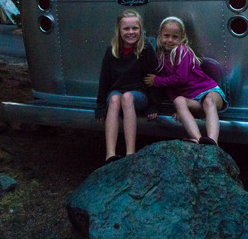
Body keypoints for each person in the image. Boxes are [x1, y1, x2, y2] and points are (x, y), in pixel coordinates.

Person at [144, 16, 227, 145]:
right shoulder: (160, 56)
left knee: (209, 102)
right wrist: (179, 109)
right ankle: (199, 139)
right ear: (160, 35)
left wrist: (157, 81)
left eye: (175, 37)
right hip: (193, 101)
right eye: (166, 36)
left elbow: (180, 79)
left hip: (209, 91)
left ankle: (213, 142)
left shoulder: (183, 52)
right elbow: (171, 89)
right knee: (178, 101)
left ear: (182, 38)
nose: (170, 40)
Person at [95, 9, 158, 163]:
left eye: (135, 28)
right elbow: (104, 80)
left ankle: (130, 154)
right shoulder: (112, 51)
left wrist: (153, 106)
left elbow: (154, 79)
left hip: (138, 95)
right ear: (119, 30)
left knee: (127, 97)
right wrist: (101, 106)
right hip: (116, 92)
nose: (131, 32)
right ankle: (110, 154)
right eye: (126, 28)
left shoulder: (146, 50)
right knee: (116, 99)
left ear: (140, 30)